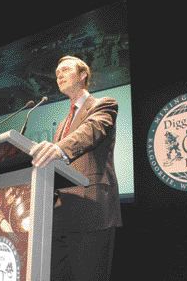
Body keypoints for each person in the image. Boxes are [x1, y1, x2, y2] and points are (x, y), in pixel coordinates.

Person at [30, 55, 122, 281]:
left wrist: (58, 149)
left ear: (83, 75)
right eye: (57, 72)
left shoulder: (104, 105)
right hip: (59, 215)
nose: (58, 74)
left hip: (90, 210)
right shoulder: (61, 124)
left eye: (65, 69)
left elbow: (91, 131)